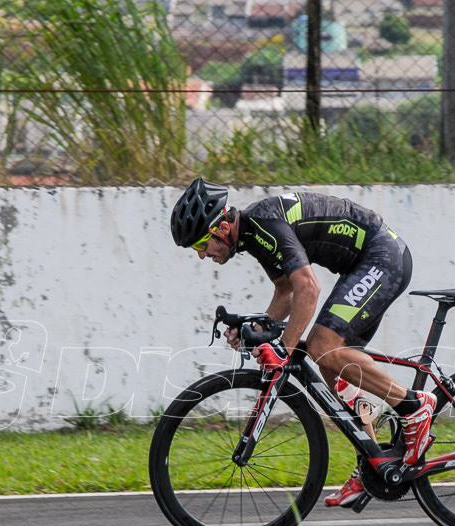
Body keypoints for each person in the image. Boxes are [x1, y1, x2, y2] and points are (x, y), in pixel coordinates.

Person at [170, 177, 436, 508]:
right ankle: (371, 463)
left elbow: (308, 287)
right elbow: (286, 290)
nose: (201, 255)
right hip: (363, 264)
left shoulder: (263, 224)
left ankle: (413, 406)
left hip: (382, 256)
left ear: (222, 228)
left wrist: (283, 346)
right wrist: (256, 328)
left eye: (200, 245)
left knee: (321, 347)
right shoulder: (252, 237)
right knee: (333, 366)